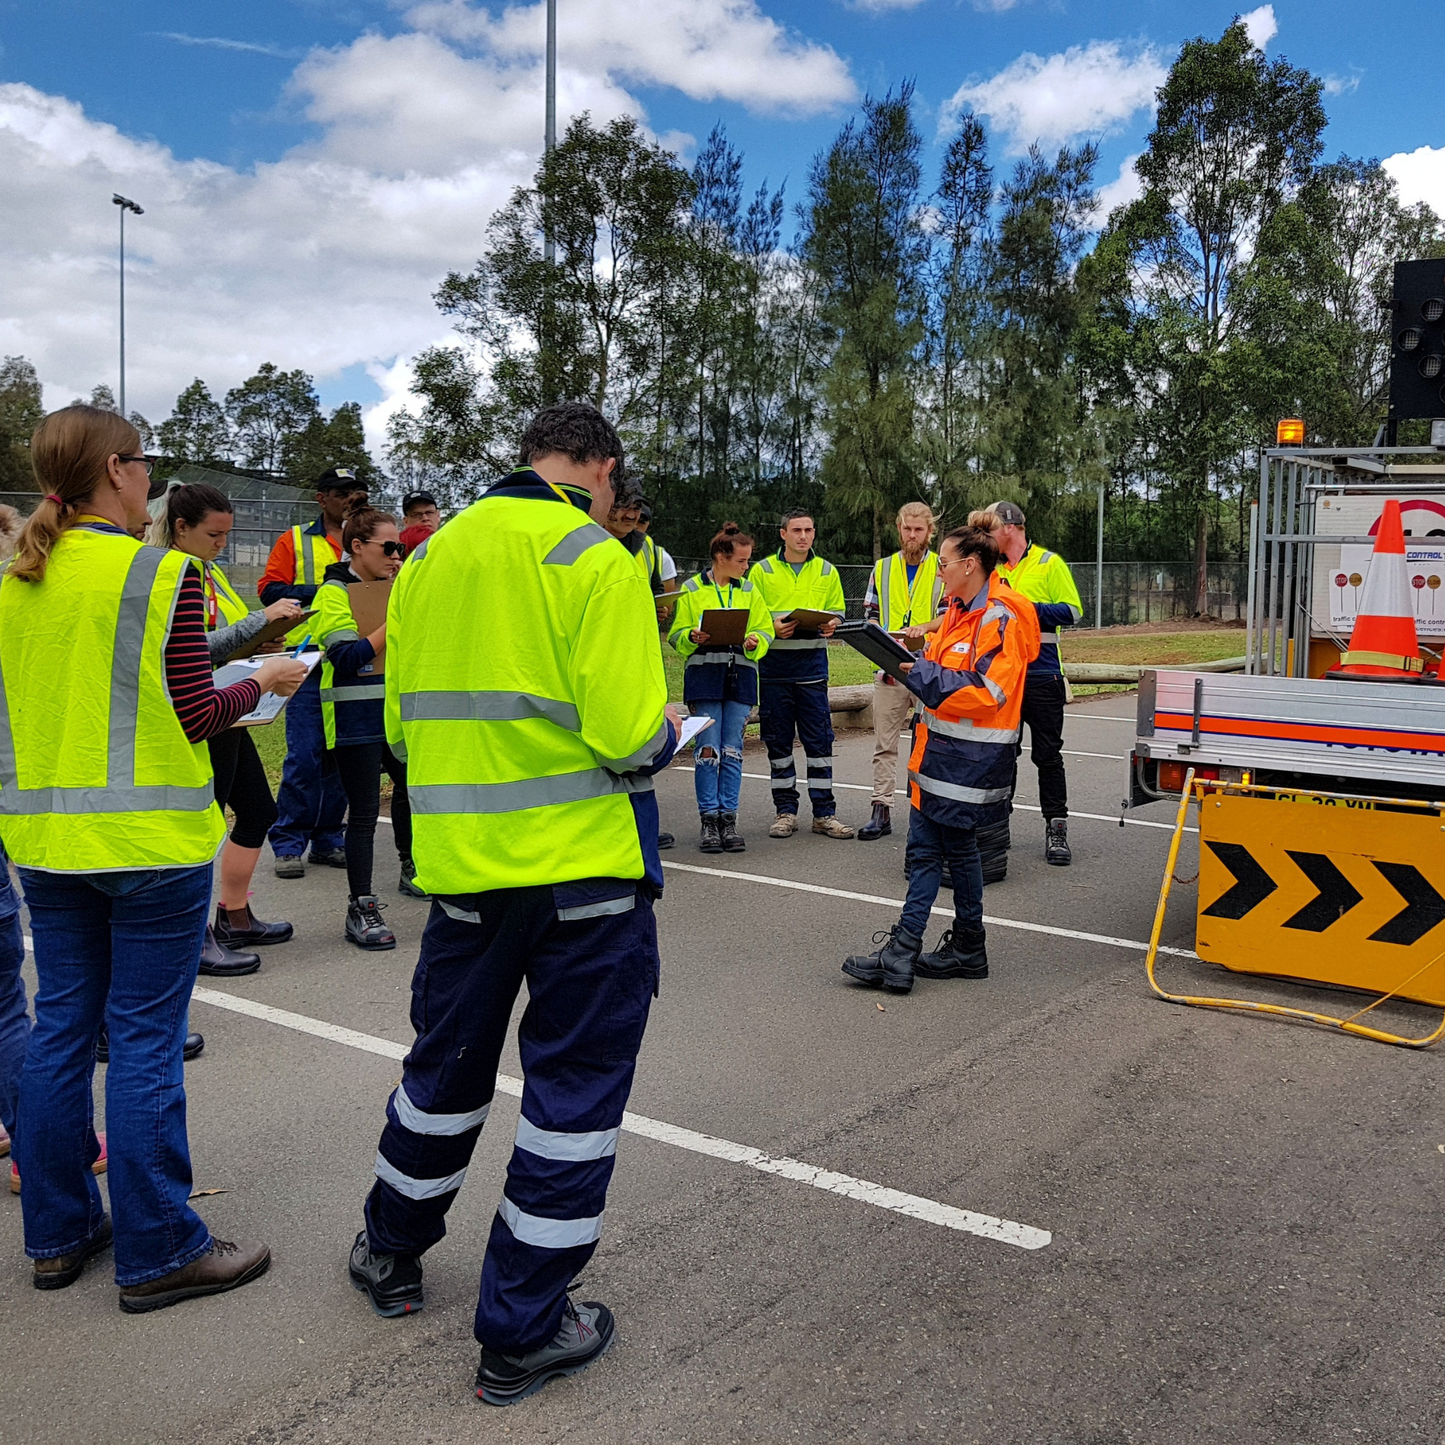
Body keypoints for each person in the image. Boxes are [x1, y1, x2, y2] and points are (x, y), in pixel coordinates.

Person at [346, 402, 680, 1406]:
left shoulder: (433, 556)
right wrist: (668, 728)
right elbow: (626, 739)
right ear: (600, 467)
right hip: (582, 876)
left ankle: (389, 1251)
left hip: (462, 874)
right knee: (569, 1103)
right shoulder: (594, 557)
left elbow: (404, 726)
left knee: (442, 1071)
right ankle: (523, 1326)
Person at [0, 405, 306, 1305]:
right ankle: (160, 1247)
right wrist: (265, 678)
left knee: (61, 1030)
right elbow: (197, 713)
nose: (150, 481)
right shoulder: (160, 571)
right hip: (149, 843)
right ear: (117, 471)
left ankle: (57, 1236)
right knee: (141, 1040)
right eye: (143, 465)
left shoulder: (17, 578)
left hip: (47, 842)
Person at [843, 526, 1038, 994]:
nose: (939, 571)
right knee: (960, 850)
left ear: (970, 565)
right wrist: (911, 669)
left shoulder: (998, 618)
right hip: (946, 759)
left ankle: (902, 952)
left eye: (944, 563)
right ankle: (969, 946)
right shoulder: (958, 613)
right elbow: (941, 671)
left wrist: (923, 673)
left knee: (926, 852)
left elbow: (987, 690)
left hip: (967, 764)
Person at [150, 482, 301, 958]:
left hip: (231, 708)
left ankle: (233, 915)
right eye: (214, 534)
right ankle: (196, 937)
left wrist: (262, 641)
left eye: (226, 535)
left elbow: (217, 643)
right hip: (202, 713)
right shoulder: (169, 574)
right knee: (207, 824)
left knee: (259, 811)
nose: (222, 544)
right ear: (181, 528)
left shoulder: (206, 571)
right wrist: (260, 624)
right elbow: (192, 651)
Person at [314, 501, 419, 951]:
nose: (397, 556)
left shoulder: (397, 589)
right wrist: (393, 625)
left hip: (396, 716)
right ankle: (362, 906)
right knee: (360, 815)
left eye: (401, 548)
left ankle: (411, 866)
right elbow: (346, 658)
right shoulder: (334, 594)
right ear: (357, 547)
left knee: (410, 792)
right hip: (355, 719)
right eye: (388, 547)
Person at [260, 466, 366, 878]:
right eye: (341, 491)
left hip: (350, 658)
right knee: (304, 755)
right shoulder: (295, 540)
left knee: (341, 757)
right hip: (305, 658)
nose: (349, 496)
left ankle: (328, 838)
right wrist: (326, 589)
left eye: (356, 489)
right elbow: (270, 589)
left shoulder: (368, 539)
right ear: (322, 498)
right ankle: (289, 842)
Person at [748, 509, 854, 841]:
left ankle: (824, 814)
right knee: (778, 744)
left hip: (812, 670)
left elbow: (838, 610)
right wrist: (772, 627)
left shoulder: (827, 570)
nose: (803, 536)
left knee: (819, 743)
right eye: (796, 530)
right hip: (774, 672)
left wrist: (832, 623)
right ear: (783, 534)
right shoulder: (761, 571)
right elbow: (750, 613)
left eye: (808, 530)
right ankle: (785, 812)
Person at [987, 501, 1083, 866]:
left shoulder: (1048, 563)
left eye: (991, 529)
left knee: (1047, 756)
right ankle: (998, 827)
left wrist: (1024, 606)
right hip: (1004, 676)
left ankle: (1056, 830)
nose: (988, 537)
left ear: (1009, 528)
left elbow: (1072, 611)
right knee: (1001, 753)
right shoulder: (991, 568)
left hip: (1042, 675)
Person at [668, 524, 774, 853]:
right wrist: (691, 636)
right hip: (704, 678)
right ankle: (708, 820)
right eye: (741, 561)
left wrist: (756, 640)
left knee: (733, 750)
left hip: (740, 676)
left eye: (747, 561)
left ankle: (729, 819)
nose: (746, 567)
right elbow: (676, 634)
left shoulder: (750, 591)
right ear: (720, 558)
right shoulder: (690, 588)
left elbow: (765, 628)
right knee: (707, 751)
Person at [858, 503, 944, 841]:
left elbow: (950, 616)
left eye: (919, 530)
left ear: (929, 532)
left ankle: (928, 811)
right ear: (898, 528)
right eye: (907, 529)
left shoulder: (942, 567)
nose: (912, 535)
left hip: (930, 669)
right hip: (890, 669)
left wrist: (923, 630)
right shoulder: (882, 568)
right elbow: (871, 614)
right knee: (884, 745)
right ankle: (881, 809)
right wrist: (883, 643)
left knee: (933, 744)